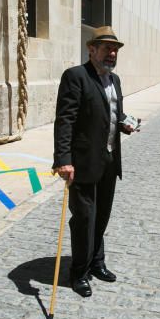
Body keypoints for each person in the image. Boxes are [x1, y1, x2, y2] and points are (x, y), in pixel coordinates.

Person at [53, 26, 136, 298]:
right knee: (84, 219)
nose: (112, 53)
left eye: (115, 49)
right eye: (106, 48)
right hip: (83, 162)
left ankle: (97, 263)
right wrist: (63, 160)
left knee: (101, 217)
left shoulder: (116, 80)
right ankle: (78, 273)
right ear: (92, 50)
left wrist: (125, 124)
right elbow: (65, 120)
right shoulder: (76, 76)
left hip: (110, 161)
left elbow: (114, 113)